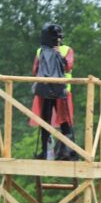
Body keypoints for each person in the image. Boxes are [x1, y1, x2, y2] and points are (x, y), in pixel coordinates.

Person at [30, 22, 78, 161]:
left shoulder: (66, 50)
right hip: (46, 90)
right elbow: (36, 70)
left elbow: (68, 67)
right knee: (45, 121)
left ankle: (67, 151)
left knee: (65, 122)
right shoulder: (41, 51)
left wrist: (58, 56)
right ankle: (46, 152)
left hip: (62, 90)